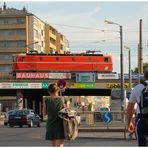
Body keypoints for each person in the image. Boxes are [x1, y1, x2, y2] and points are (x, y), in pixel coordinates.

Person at [126, 67, 148, 146]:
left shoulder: (137, 88)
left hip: (142, 121)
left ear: (144, 76)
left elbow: (129, 109)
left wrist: (128, 124)